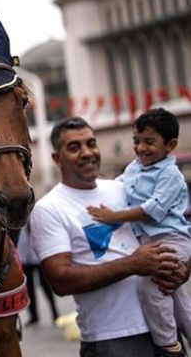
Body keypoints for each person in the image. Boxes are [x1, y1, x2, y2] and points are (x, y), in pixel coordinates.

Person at [29, 116, 188, 357]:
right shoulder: (49, 209)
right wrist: (132, 264)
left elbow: (173, 229)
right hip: (113, 339)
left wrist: (182, 268)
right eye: (74, 147)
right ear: (56, 158)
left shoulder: (122, 188)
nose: (86, 152)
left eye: (91, 143)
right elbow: (60, 281)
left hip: (164, 328)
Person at [86, 108, 191, 356]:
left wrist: (114, 217)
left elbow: (151, 210)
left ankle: (169, 346)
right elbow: (116, 186)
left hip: (171, 240)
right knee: (175, 296)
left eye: (149, 142)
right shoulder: (134, 167)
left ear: (170, 145)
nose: (141, 148)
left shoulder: (171, 175)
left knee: (151, 287)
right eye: (136, 141)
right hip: (151, 241)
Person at [16, 226, 59, 326]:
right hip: (24, 256)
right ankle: (34, 316)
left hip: (38, 256)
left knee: (45, 284)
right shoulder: (16, 219)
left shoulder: (35, 215)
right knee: (28, 287)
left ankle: (55, 312)